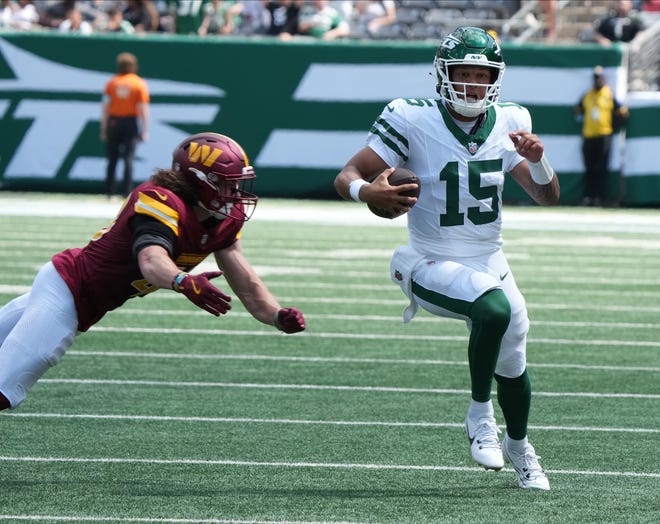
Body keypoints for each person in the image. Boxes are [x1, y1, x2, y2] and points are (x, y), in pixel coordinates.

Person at [334, 26, 559, 490]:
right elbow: (347, 174)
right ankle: (479, 415)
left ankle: (520, 448)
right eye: (465, 74)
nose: (473, 84)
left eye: (483, 75)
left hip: (490, 259)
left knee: (514, 354)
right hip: (427, 259)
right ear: (443, 74)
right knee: (492, 309)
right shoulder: (411, 117)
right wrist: (366, 190)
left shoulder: (511, 118)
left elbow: (546, 196)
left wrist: (539, 161)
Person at [0, 131, 306, 413]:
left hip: (82, 296)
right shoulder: (160, 199)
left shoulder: (221, 221)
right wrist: (182, 281)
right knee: (7, 385)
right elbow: (151, 258)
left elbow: (247, 282)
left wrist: (276, 316)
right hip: (67, 288)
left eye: (238, 182)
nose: (236, 191)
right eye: (227, 182)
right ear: (199, 180)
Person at [573, 65, 629, 207]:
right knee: (589, 168)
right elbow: (577, 110)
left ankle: (599, 197)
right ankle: (588, 196)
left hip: (604, 136)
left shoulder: (609, 94)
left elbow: (623, 112)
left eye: (600, 78)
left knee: (601, 168)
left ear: (604, 79)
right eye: (596, 78)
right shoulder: (588, 95)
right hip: (588, 135)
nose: (598, 81)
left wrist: (612, 124)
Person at [101, 52, 150, 198]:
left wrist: (104, 128)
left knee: (112, 158)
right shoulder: (138, 83)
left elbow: (105, 108)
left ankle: (109, 191)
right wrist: (145, 129)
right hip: (130, 122)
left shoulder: (112, 83)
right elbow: (143, 108)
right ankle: (126, 191)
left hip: (114, 121)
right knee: (129, 158)